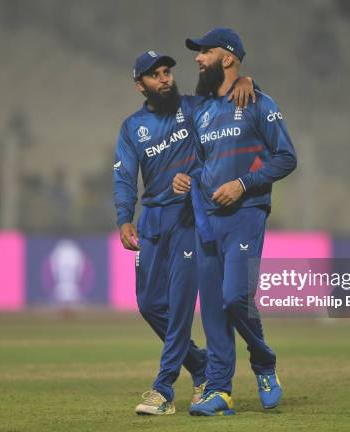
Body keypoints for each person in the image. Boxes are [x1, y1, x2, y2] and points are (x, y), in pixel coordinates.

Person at [113, 50, 256, 415]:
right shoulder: (132, 128)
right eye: (155, 75)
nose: (165, 79)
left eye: (167, 72)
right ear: (139, 85)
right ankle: (201, 366)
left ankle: (163, 390)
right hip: (152, 221)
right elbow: (125, 176)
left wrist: (246, 81)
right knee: (149, 304)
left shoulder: (193, 109)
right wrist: (124, 217)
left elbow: (233, 107)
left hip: (190, 219)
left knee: (178, 308)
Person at [173, 28, 297, 416]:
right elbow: (198, 162)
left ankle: (263, 362)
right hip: (206, 220)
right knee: (212, 308)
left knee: (234, 298)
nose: (197, 58)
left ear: (228, 58)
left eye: (205, 52)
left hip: (245, 214)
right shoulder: (202, 111)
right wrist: (187, 178)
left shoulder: (259, 102)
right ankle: (221, 391)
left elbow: (286, 157)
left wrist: (243, 184)